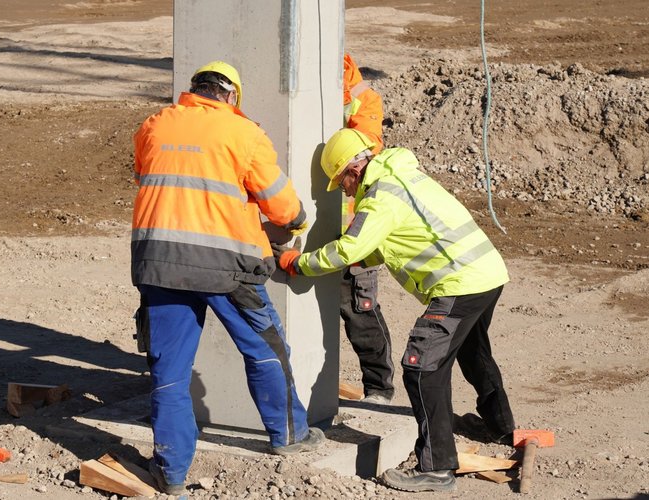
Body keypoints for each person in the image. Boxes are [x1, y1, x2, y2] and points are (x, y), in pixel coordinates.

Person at [272, 128, 515, 492]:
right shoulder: (400, 176)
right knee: (472, 350)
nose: (345, 192)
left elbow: (351, 247)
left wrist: (300, 263)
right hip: (486, 273)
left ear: (353, 171)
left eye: (342, 183)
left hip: (459, 284)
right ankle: (499, 426)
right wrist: (357, 258)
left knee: (422, 367)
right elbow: (394, 238)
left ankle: (436, 467)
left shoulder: (380, 198)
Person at [131, 61, 324, 495]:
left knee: (169, 371)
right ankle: (289, 435)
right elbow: (281, 205)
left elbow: (146, 176)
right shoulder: (243, 132)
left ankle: (171, 473)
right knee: (266, 350)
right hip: (228, 267)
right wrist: (296, 221)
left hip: (159, 263)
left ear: (194, 90)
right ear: (232, 96)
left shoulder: (154, 124)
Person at [339, 53, 395, 404]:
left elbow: (362, 151)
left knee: (360, 310)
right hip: (306, 225)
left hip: (353, 227)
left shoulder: (363, 99)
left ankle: (378, 390)